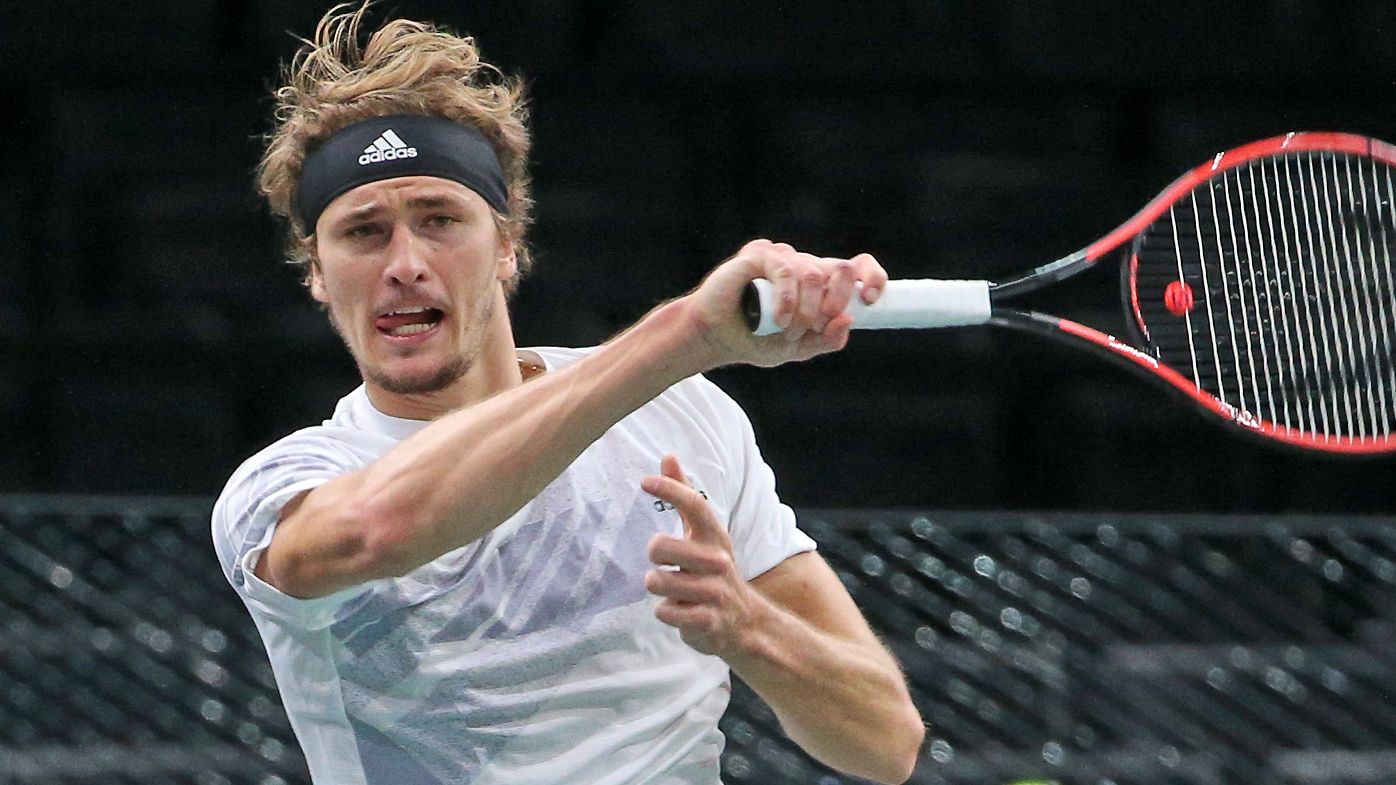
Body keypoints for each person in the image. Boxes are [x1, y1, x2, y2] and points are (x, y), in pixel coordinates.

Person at [211, 5, 924, 784]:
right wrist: (686, 333)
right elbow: (382, 529)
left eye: (441, 218)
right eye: (363, 231)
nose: (405, 262)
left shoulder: (682, 416)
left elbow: (886, 742)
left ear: (508, 245)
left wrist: (749, 626)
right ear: (316, 270)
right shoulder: (282, 489)